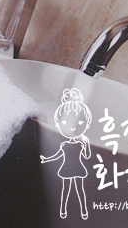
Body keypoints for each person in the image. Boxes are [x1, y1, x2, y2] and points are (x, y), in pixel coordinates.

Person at [40, 88, 92, 220]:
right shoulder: (63, 144)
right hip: (67, 169)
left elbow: (87, 156)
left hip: (77, 169)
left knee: (79, 190)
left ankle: (83, 210)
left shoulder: (81, 143)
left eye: (80, 123)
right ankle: (63, 209)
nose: (73, 127)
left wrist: (86, 145)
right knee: (66, 190)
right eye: (64, 122)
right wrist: (46, 159)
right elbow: (57, 155)